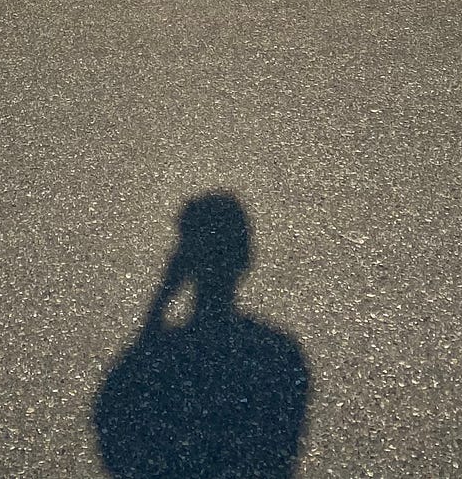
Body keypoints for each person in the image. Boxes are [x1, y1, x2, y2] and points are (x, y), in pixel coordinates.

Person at [94, 194, 310, 478]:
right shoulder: (280, 354)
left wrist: (159, 304)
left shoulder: (160, 358)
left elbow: (118, 432)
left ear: (183, 262)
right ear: (245, 257)